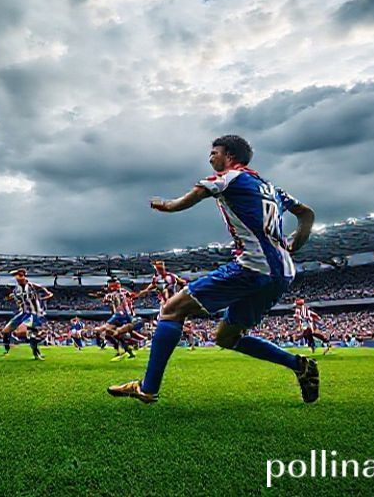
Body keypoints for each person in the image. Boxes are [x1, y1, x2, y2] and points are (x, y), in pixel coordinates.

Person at [108, 135, 317, 404]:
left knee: (172, 309)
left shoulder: (230, 176)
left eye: (214, 152)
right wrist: (293, 245)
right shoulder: (271, 187)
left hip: (252, 266)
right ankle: (301, 366)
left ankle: (147, 388)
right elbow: (307, 214)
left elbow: (191, 197)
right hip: (283, 272)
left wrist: (166, 205)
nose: (210, 158)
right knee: (227, 337)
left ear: (229, 156)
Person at [1, 269, 53, 360]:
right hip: (23, 313)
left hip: (34, 314)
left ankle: (37, 354)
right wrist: (9, 298)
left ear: (24, 276)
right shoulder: (16, 289)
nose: (17, 278)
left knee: (26, 332)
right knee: (5, 331)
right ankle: (6, 350)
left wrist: (47, 295)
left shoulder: (31, 286)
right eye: (16, 276)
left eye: (19, 276)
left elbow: (42, 288)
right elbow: (12, 296)